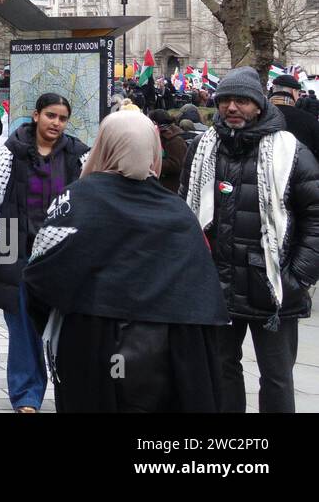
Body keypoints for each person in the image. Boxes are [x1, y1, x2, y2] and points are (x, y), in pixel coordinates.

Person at [22, 110, 228, 412]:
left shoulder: (78, 200)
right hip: (172, 351)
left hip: (92, 339)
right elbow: (200, 286)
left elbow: (41, 273)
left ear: (104, 145)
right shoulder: (177, 211)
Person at [179, 66, 319, 413]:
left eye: (241, 100)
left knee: (277, 377)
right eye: (225, 100)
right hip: (217, 286)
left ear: (258, 105)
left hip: (272, 289)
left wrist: (297, 277)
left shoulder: (292, 152)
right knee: (222, 370)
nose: (231, 108)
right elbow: (183, 210)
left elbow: (316, 217)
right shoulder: (202, 149)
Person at [0, 92, 90, 412]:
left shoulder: (77, 156)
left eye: (62, 118)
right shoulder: (10, 153)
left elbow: (90, 203)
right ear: (36, 116)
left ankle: (72, 391)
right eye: (51, 115)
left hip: (61, 257)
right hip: (16, 253)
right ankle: (26, 395)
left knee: (67, 330)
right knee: (22, 329)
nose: (56, 123)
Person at [269, 74, 319, 158]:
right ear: (293, 91)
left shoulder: (257, 115)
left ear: (274, 90)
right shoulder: (308, 120)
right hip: (301, 168)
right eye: (298, 93)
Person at [149, 110, 188, 194]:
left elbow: (176, 164)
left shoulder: (175, 140)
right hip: (162, 184)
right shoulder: (162, 135)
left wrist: (152, 162)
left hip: (171, 187)